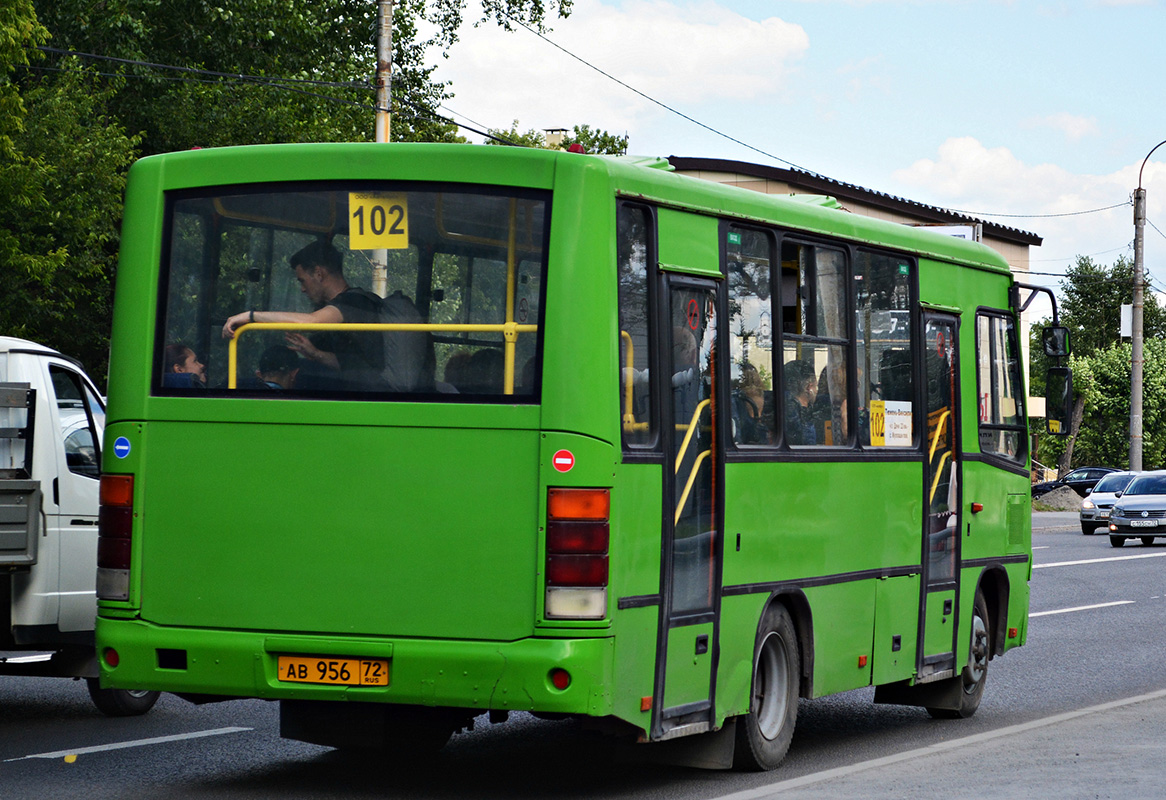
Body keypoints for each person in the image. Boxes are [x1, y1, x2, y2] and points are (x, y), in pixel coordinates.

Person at [222, 241, 383, 386]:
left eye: (302, 280)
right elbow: (351, 365)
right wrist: (314, 353)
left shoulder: (353, 302)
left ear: (319, 274)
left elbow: (311, 322)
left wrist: (252, 316)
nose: (302, 289)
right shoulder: (342, 305)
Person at [783, 358, 818, 445]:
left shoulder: (781, 405)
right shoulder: (798, 415)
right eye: (816, 386)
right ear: (809, 388)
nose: (817, 391)